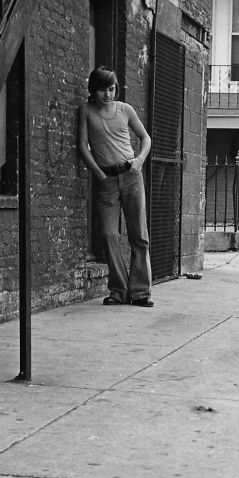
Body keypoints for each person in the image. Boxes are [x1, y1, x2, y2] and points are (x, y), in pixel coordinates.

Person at [78, 66, 154, 307]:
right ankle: (119, 291)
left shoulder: (125, 110)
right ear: (93, 89)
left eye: (111, 89)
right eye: (102, 90)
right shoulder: (86, 111)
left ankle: (141, 292)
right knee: (109, 234)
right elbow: (81, 145)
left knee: (138, 234)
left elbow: (145, 138)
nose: (108, 95)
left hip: (131, 175)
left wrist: (139, 161)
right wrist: (99, 174)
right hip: (106, 180)